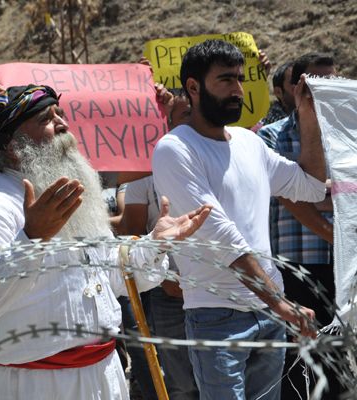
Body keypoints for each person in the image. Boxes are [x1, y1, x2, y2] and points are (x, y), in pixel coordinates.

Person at [0, 84, 211, 399]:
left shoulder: (68, 196)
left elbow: (109, 277)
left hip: (101, 376)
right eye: (47, 118)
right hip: (34, 386)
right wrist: (31, 239)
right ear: (11, 145)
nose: (63, 124)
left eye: (61, 114)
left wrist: (153, 245)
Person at [152, 40, 327, 400]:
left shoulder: (250, 143)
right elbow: (220, 235)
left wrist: (308, 113)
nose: (237, 90)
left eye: (240, 79)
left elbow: (309, 186)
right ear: (193, 87)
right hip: (218, 316)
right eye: (225, 80)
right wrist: (281, 303)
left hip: (268, 312)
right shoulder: (176, 148)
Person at [257, 53, 340, 399]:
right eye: (315, 83)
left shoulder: (347, 136)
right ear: (294, 88)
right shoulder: (270, 138)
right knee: (298, 364)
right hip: (296, 267)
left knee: (337, 362)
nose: (325, 91)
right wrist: (330, 227)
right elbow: (287, 198)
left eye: (332, 82)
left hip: (341, 268)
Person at [120, 92, 198, 400]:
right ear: (166, 124)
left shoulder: (217, 162)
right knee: (180, 383)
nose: (192, 124)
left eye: (196, 114)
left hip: (215, 289)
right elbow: (133, 232)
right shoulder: (144, 174)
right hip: (168, 293)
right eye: (183, 117)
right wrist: (165, 277)